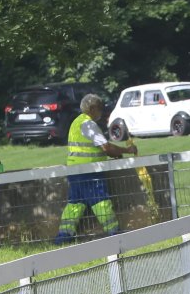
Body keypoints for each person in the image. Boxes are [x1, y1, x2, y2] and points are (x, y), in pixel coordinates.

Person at [54, 93, 137, 244]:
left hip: (74, 171)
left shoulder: (76, 122)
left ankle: (63, 236)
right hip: (90, 172)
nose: (101, 112)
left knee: (75, 204)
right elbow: (106, 147)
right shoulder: (89, 124)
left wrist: (114, 153)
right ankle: (114, 233)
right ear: (92, 108)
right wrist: (127, 150)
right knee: (100, 201)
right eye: (100, 108)